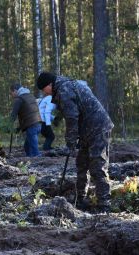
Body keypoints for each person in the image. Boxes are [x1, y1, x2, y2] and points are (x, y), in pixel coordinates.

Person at [37, 72, 114, 213]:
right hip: (87, 130)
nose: (44, 93)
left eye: (43, 90)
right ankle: (81, 200)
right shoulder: (64, 86)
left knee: (97, 166)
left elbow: (72, 117)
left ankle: (104, 205)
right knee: (82, 164)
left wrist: (70, 142)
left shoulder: (64, 89)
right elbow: (70, 110)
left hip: (98, 128)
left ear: (49, 85)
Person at [10, 84, 42, 157]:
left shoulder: (19, 99)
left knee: (35, 151)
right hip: (38, 123)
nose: (11, 95)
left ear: (15, 90)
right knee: (27, 147)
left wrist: (9, 125)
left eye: (11, 93)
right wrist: (19, 128)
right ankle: (30, 160)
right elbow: (28, 113)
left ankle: (38, 163)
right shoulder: (31, 96)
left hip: (32, 126)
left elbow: (13, 115)